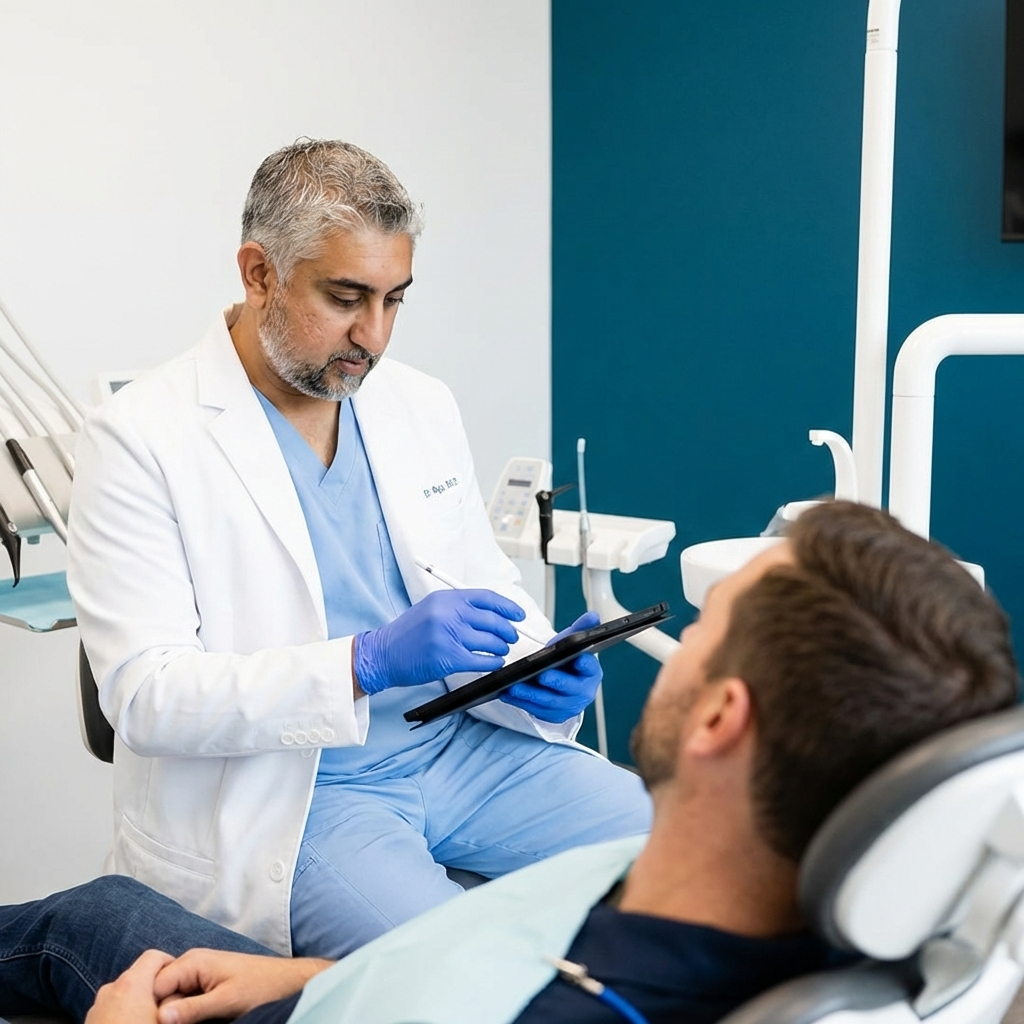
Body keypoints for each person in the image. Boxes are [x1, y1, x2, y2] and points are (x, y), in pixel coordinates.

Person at [7, 502, 1018, 1024]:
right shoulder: (791, 919)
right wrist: (313, 974)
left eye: (709, 621)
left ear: (718, 715)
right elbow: (495, 959)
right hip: (341, 988)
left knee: (91, 923)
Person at [65, 139, 651, 959]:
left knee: (679, 855)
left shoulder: (419, 404)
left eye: (394, 300)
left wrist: (534, 666)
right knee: (450, 972)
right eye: (345, 298)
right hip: (304, 794)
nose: (372, 337)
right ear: (258, 272)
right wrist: (364, 662)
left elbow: (483, 591)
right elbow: (144, 696)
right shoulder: (138, 439)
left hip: (459, 746)